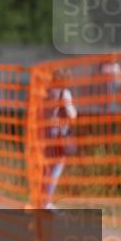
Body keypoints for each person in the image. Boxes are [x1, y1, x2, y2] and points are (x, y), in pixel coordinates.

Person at [43, 68, 78, 209]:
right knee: (56, 169)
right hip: (59, 134)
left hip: (47, 132)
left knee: (47, 168)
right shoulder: (65, 93)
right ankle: (46, 202)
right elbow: (72, 114)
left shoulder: (47, 91)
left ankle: (42, 200)